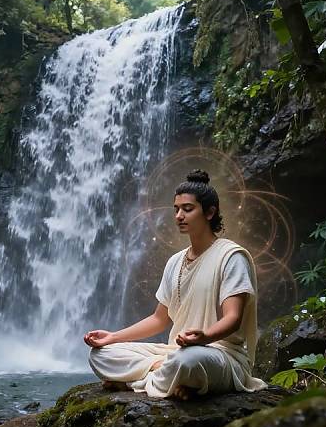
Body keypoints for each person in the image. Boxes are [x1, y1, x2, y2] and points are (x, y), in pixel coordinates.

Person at [83, 169, 267, 399]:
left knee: (187, 362)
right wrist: (113, 337)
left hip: (220, 355)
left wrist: (205, 337)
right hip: (175, 352)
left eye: (188, 209)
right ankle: (166, 376)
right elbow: (159, 319)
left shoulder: (231, 257)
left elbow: (233, 318)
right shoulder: (175, 262)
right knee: (101, 354)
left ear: (210, 212)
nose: (179, 215)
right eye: (176, 209)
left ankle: (136, 381)